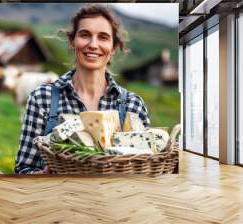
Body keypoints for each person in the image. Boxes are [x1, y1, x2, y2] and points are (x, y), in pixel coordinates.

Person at [15, 4, 151, 174]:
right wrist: (42, 176)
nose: (93, 45)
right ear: (73, 42)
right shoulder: (43, 98)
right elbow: (24, 169)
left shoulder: (133, 105)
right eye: (85, 35)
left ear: (113, 48)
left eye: (103, 37)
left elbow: (147, 169)